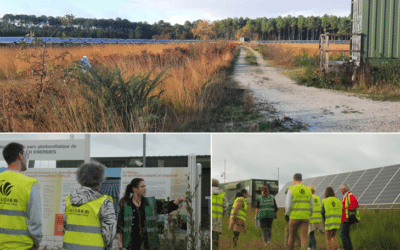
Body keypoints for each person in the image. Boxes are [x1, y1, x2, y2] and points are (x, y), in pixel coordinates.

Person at [117, 178, 187, 250]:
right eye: (142, 187)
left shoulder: (151, 203)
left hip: (149, 245)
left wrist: (179, 200)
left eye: (145, 186)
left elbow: (167, 206)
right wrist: (120, 243)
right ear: (134, 189)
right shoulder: (125, 205)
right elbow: (120, 226)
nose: (145, 189)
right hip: (131, 245)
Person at [63, 162, 117, 250]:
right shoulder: (104, 201)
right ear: (100, 180)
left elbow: (64, 227)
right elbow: (109, 232)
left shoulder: (69, 199)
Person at [0, 142, 42, 250]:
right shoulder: (29, 184)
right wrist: (37, 242)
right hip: (21, 246)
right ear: (20, 156)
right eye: (25, 156)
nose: (26, 159)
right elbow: (35, 221)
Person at [286, 173, 313, 250]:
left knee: (292, 236)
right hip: (305, 217)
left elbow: (288, 205)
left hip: (294, 217)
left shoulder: (291, 189)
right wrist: (310, 214)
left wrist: (287, 214)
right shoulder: (308, 190)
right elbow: (311, 205)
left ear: (294, 179)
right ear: (301, 179)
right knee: (304, 237)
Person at [340, 184, 360, 250]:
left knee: (342, 234)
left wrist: (348, 215)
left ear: (345, 189)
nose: (340, 191)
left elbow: (355, 205)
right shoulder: (345, 197)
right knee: (346, 235)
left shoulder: (350, 195)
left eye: (341, 189)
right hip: (344, 219)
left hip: (347, 219)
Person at [212, 178, 228, 250]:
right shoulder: (222, 193)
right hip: (218, 219)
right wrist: (223, 213)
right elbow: (225, 206)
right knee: (216, 237)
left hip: (210, 217)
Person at [307, 185, 324, 250]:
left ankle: (315, 248)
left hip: (311, 218)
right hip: (318, 218)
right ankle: (309, 247)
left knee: (311, 234)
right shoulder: (318, 197)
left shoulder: (309, 197)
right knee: (311, 233)